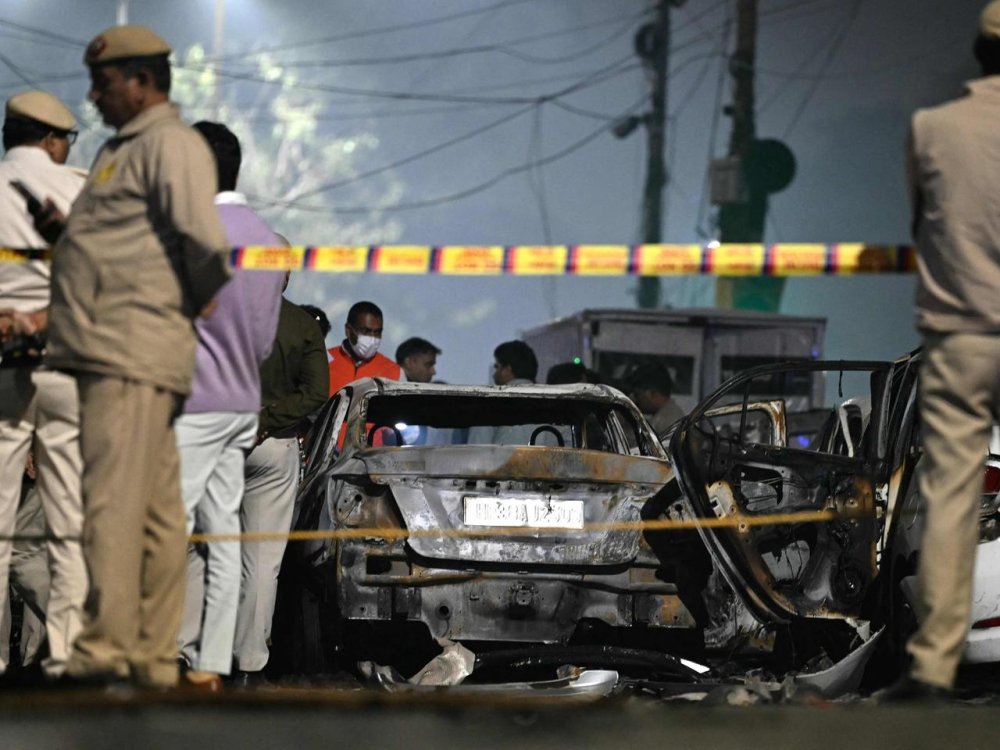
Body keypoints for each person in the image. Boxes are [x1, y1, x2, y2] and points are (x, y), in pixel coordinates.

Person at [42, 25, 231, 689]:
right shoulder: (127, 149)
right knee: (152, 512)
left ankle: (105, 652)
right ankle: (150, 658)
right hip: (123, 350)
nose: (94, 96)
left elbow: (204, 244)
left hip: (128, 350)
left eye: (105, 83)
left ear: (143, 82)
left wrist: (188, 305)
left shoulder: (169, 145)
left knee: (111, 504)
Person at [889, 1, 1000, 700]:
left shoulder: (934, 129)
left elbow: (917, 223)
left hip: (964, 332)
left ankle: (932, 669)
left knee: (954, 495)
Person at [173, 122, 284, 691]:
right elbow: (264, 343)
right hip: (243, 404)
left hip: (185, 405)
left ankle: (157, 656)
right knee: (220, 539)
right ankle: (209, 666)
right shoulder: (271, 243)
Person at [0, 90, 87, 679]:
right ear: (54, 140)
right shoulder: (82, 191)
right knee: (68, 516)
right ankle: (67, 652)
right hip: (65, 365)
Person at [233, 275, 328, 684]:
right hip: (274, 446)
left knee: (198, 552)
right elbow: (316, 393)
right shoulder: (302, 325)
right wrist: (265, 420)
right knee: (261, 562)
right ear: (286, 276)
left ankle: (186, 656)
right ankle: (249, 667)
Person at [327, 301, 401, 395]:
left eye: (377, 332)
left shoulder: (394, 371)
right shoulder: (323, 361)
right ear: (348, 330)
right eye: (365, 331)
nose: (372, 338)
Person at [627, 363, 684, 435]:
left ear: (653, 393)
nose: (635, 399)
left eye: (637, 394)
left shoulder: (668, 422)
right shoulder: (664, 417)